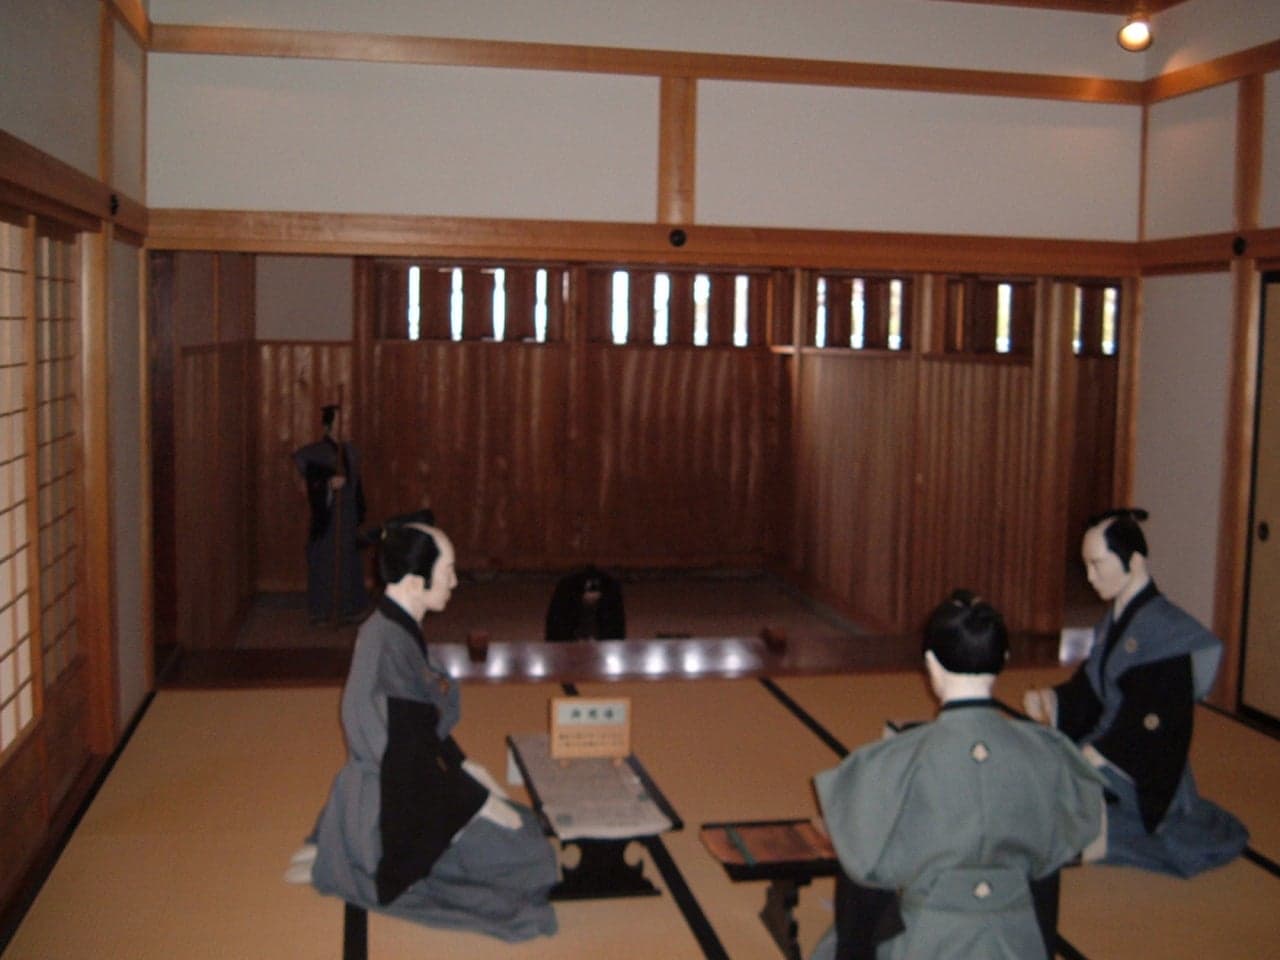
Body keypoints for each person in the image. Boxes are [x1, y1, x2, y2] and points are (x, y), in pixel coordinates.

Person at [286, 521, 558, 942]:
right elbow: (407, 759)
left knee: (523, 825)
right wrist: (477, 802)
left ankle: (339, 854)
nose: (455, 581)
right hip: (392, 809)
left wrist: (466, 768)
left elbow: (420, 735)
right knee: (531, 857)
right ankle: (353, 863)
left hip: (406, 781)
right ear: (415, 582)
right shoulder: (387, 644)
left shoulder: (391, 628)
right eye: (447, 570)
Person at [811, 590, 1106, 960]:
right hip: (1017, 942)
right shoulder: (1048, 754)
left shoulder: (890, 762)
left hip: (924, 943)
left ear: (930, 664)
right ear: (1005, 659)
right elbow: (1051, 867)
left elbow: (863, 880)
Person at [1023, 507, 1249, 877]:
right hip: (1105, 745)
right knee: (1033, 774)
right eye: (1086, 565)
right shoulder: (1115, 620)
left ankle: (1099, 834)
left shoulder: (1166, 635)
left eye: (1098, 565)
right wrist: (1054, 701)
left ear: (1135, 561)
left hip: (1137, 765)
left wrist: (1091, 757)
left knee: (1045, 798)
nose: (1090, 577)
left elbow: (1153, 727)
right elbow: (1092, 686)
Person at [292, 404, 367, 622]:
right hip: (329, 515)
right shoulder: (315, 453)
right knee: (325, 559)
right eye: (339, 421)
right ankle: (323, 609)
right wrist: (327, 484)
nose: (344, 425)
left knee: (348, 560)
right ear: (328, 425)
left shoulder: (351, 452)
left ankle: (349, 608)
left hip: (348, 514)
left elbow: (356, 485)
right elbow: (309, 482)